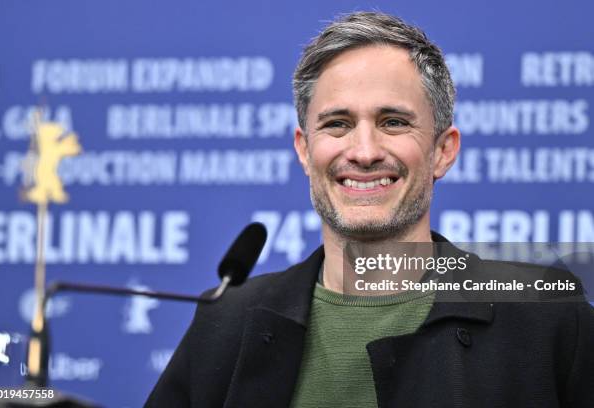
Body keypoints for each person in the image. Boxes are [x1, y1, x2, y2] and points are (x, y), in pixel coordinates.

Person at [145, 11, 594, 407]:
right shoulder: (226, 320)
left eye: (393, 122)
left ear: (443, 150)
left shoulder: (546, 313)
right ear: (304, 150)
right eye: (337, 124)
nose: (363, 151)